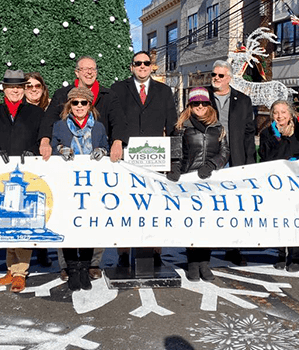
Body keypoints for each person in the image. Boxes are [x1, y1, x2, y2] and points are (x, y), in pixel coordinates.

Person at [38, 56, 126, 280]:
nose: (89, 72)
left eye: (92, 69)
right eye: (84, 69)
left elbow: (117, 123)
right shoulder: (61, 95)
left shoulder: (108, 96)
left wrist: (116, 142)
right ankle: (67, 264)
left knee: (94, 216)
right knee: (65, 215)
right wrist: (46, 142)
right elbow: (49, 122)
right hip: (66, 174)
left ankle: (93, 262)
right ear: (76, 72)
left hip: (95, 172)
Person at [110, 50, 178, 268]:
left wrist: (174, 159)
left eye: (146, 63)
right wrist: (117, 141)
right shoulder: (118, 89)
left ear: (151, 67)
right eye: (137, 63)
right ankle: (123, 252)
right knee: (126, 205)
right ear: (131, 67)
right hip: (126, 156)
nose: (142, 66)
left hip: (155, 157)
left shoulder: (164, 91)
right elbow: (114, 119)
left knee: (154, 205)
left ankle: (155, 250)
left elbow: (173, 125)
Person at [0, 69, 45, 293]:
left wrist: (33, 151)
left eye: (20, 87)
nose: (16, 90)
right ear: (4, 89)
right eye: (12, 87)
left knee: (22, 221)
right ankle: (11, 268)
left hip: (27, 173)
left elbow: (42, 139)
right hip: (1, 173)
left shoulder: (35, 114)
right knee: (6, 220)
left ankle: (20, 271)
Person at [50, 87, 110, 291]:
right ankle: (72, 269)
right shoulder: (60, 126)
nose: (79, 107)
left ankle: (84, 268)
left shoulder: (99, 127)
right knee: (68, 225)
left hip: (91, 184)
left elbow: (106, 147)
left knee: (87, 226)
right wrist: (59, 150)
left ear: (90, 105)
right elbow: (50, 147)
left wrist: (103, 151)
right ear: (69, 105)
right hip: (66, 183)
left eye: (83, 103)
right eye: (75, 103)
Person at [166, 87, 228, 282]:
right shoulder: (181, 127)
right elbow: (176, 153)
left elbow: (225, 152)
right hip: (189, 181)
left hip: (211, 181)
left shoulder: (218, 128)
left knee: (207, 223)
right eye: (195, 103)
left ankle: (204, 262)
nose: (200, 106)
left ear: (209, 105)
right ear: (190, 106)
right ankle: (193, 262)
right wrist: (175, 169)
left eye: (203, 103)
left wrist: (212, 164)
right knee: (192, 222)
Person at [207, 60, 256, 266]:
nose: (216, 79)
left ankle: (232, 247)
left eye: (220, 76)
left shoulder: (243, 100)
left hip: (233, 159)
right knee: (207, 204)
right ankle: (203, 249)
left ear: (229, 78)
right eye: (214, 75)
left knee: (232, 205)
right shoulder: (202, 97)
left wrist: (250, 164)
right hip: (208, 157)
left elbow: (248, 134)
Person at [257, 100, 299, 272]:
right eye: (276, 112)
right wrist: (279, 140)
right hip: (277, 183)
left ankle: (296, 255)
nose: (280, 116)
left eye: (283, 112)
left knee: (297, 218)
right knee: (280, 218)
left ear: (290, 114)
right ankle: (281, 253)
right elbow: (266, 158)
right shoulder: (267, 134)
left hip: (298, 184)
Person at [24, 72, 55, 269]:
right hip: (25, 162)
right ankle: (22, 258)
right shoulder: (18, 110)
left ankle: (43, 249)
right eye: (29, 86)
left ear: (43, 89)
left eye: (37, 86)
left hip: (47, 163)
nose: (34, 89)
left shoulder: (51, 110)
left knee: (44, 207)